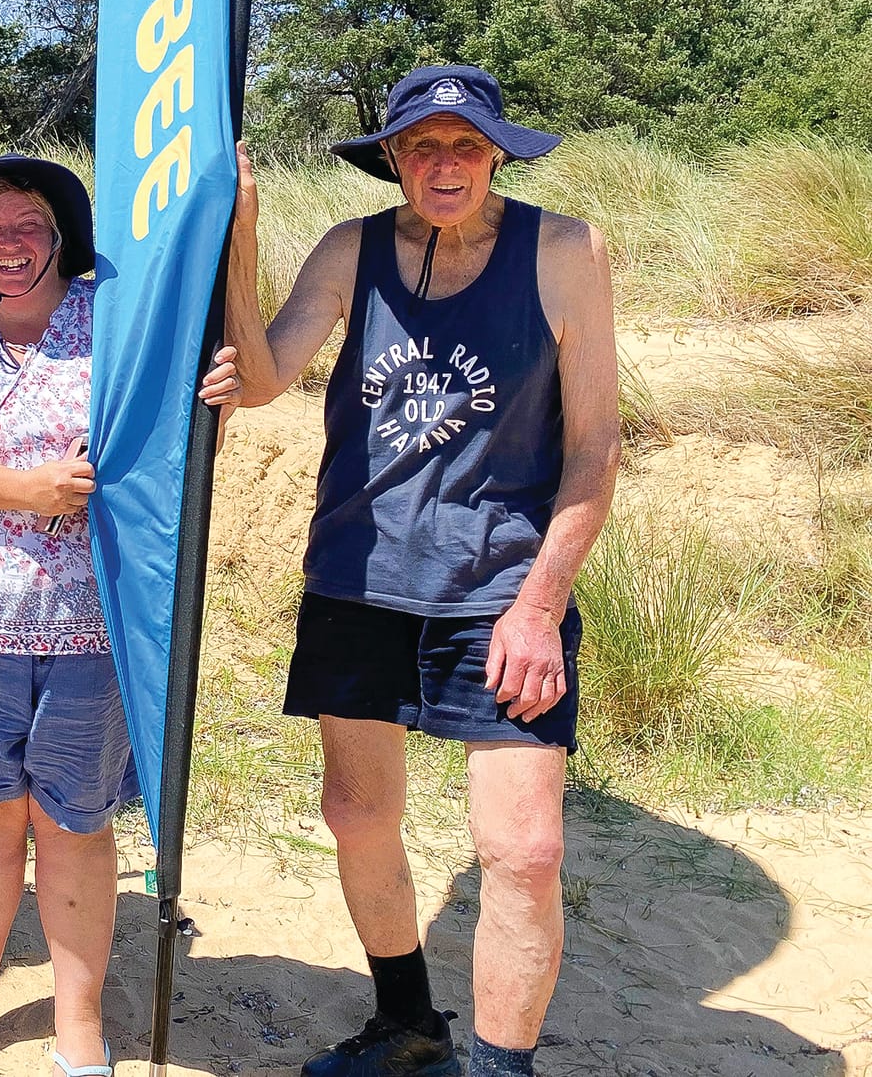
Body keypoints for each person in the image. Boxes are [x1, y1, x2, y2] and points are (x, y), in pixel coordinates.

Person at [221, 65, 621, 1077]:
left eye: (465, 147)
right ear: (392, 157)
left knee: (523, 852)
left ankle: (498, 1069)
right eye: (422, 148)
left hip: (499, 591)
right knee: (355, 816)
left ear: (495, 154)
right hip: (357, 576)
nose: (445, 167)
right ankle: (406, 1023)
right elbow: (264, 379)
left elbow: (595, 447)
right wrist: (239, 228)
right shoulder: (351, 249)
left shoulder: (562, 250)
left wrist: (539, 607)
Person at [0, 154, 239, 1077]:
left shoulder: (114, 324)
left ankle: (76, 1018)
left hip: (91, 625)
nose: (10, 245)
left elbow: (175, 429)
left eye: (28, 226)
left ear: (61, 239)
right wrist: (28, 490)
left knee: (75, 823)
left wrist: (218, 384)